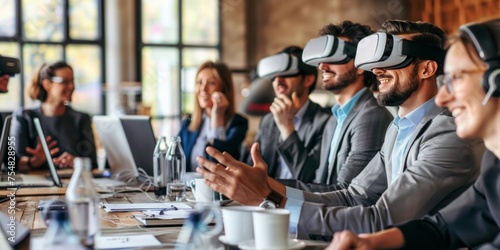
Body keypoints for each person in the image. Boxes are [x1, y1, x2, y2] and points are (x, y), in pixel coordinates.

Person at [195, 20, 484, 239]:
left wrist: (268, 199)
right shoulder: (398, 128)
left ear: (427, 69)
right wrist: (267, 186)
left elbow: (380, 219)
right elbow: (353, 195)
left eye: (391, 60)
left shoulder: (448, 135)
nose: (377, 70)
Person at [326, 18, 500, 250]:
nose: (442, 98)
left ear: (496, 81)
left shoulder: (449, 136)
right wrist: (371, 242)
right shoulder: (494, 164)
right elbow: (445, 227)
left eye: (456, 78)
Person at [292, 21, 393, 191]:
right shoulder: (333, 120)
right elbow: (319, 181)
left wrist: (269, 187)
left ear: (360, 65)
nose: (323, 66)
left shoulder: (371, 116)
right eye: (322, 59)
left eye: (334, 57)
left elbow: (345, 192)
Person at [247, 46, 331, 182]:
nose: (277, 81)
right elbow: (252, 167)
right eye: (274, 76)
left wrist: (287, 128)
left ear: (308, 79)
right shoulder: (268, 120)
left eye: (286, 74)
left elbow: (309, 177)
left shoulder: (325, 122)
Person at [11, 61, 97, 171]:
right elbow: (12, 165)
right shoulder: (24, 117)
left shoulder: (81, 119)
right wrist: (34, 162)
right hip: (33, 186)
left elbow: (93, 164)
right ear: (47, 84)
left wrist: (76, 162)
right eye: (64, 81)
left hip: (71, 184)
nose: (71, 86)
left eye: (72, 81)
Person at [178, 61, 248, 172]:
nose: (203, 89)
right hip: (188, 188)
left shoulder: (238, 123)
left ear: (224, 88)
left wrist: (217, 116)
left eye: (211, 83)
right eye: (199, 82)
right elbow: (176, 162)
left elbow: (219, 165)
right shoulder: (188, 122)